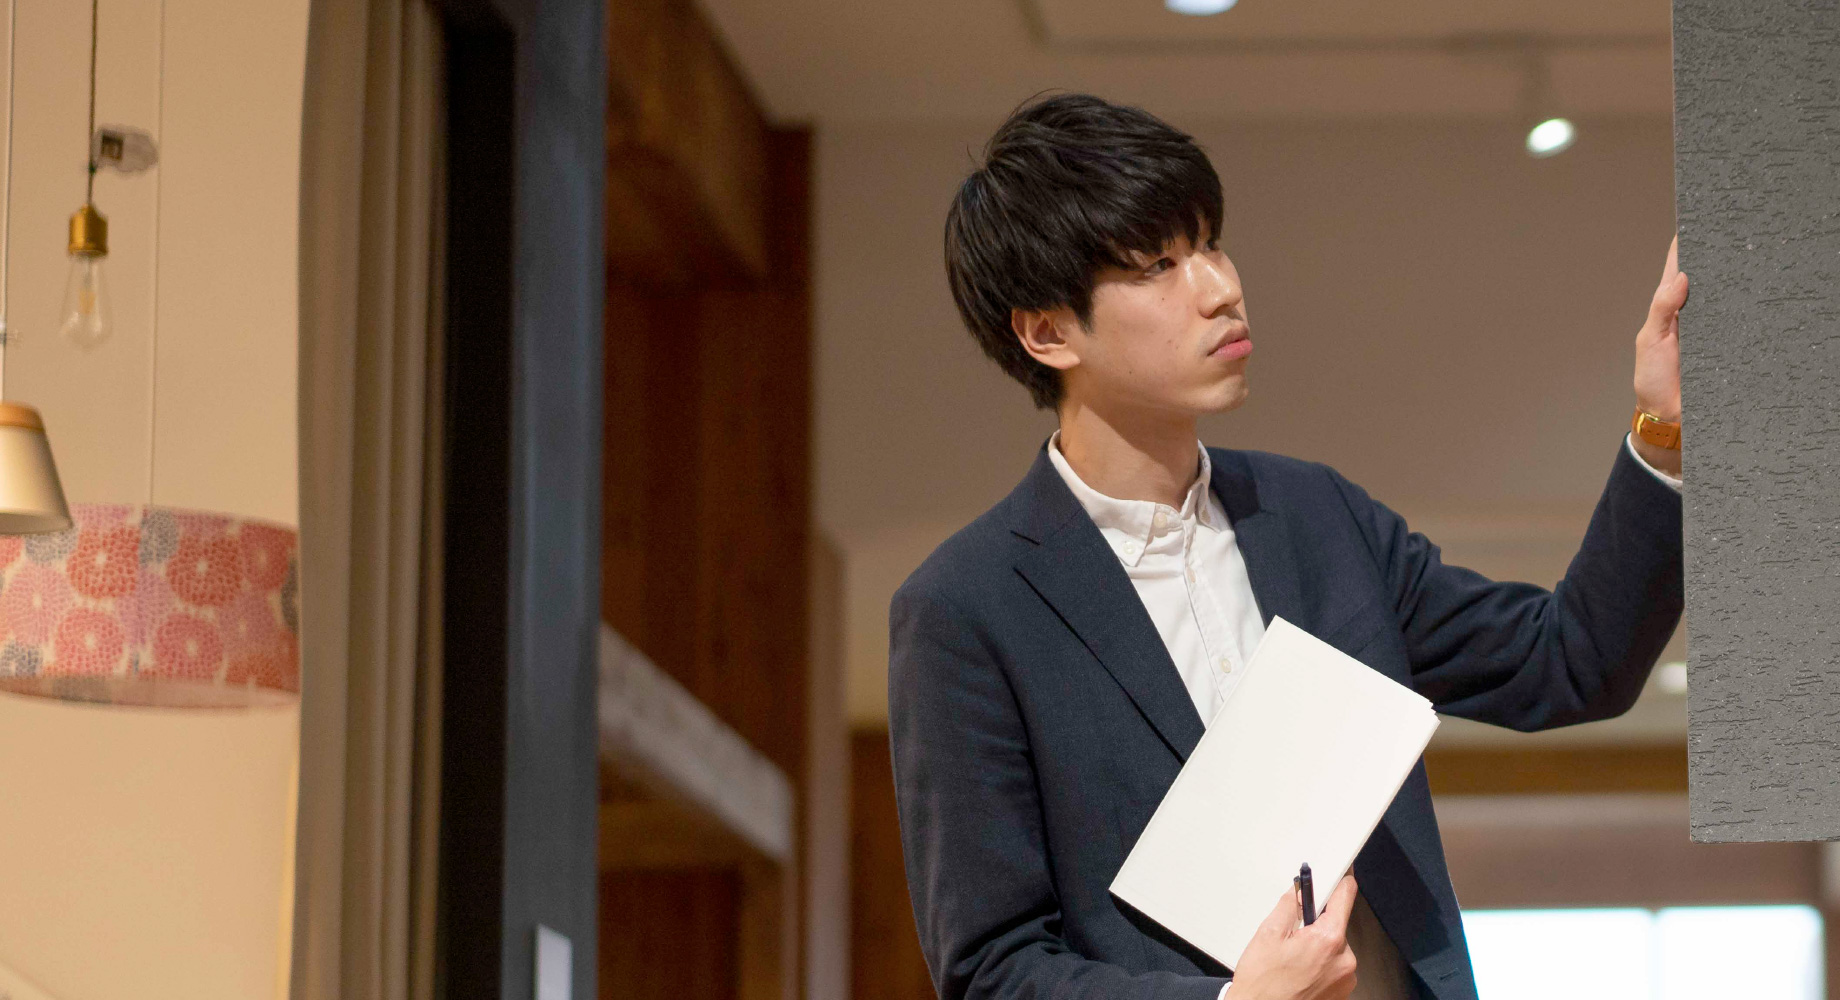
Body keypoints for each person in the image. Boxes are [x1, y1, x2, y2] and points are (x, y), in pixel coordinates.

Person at [886, 93, 1686, 1000]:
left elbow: (1570, 661)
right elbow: (992, 971)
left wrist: (1663, 426)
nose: (1220, 288)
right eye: (1158, 265)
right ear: (1047, 331)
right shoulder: (966, 608)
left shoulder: (1314, 516)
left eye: (1210, 244)